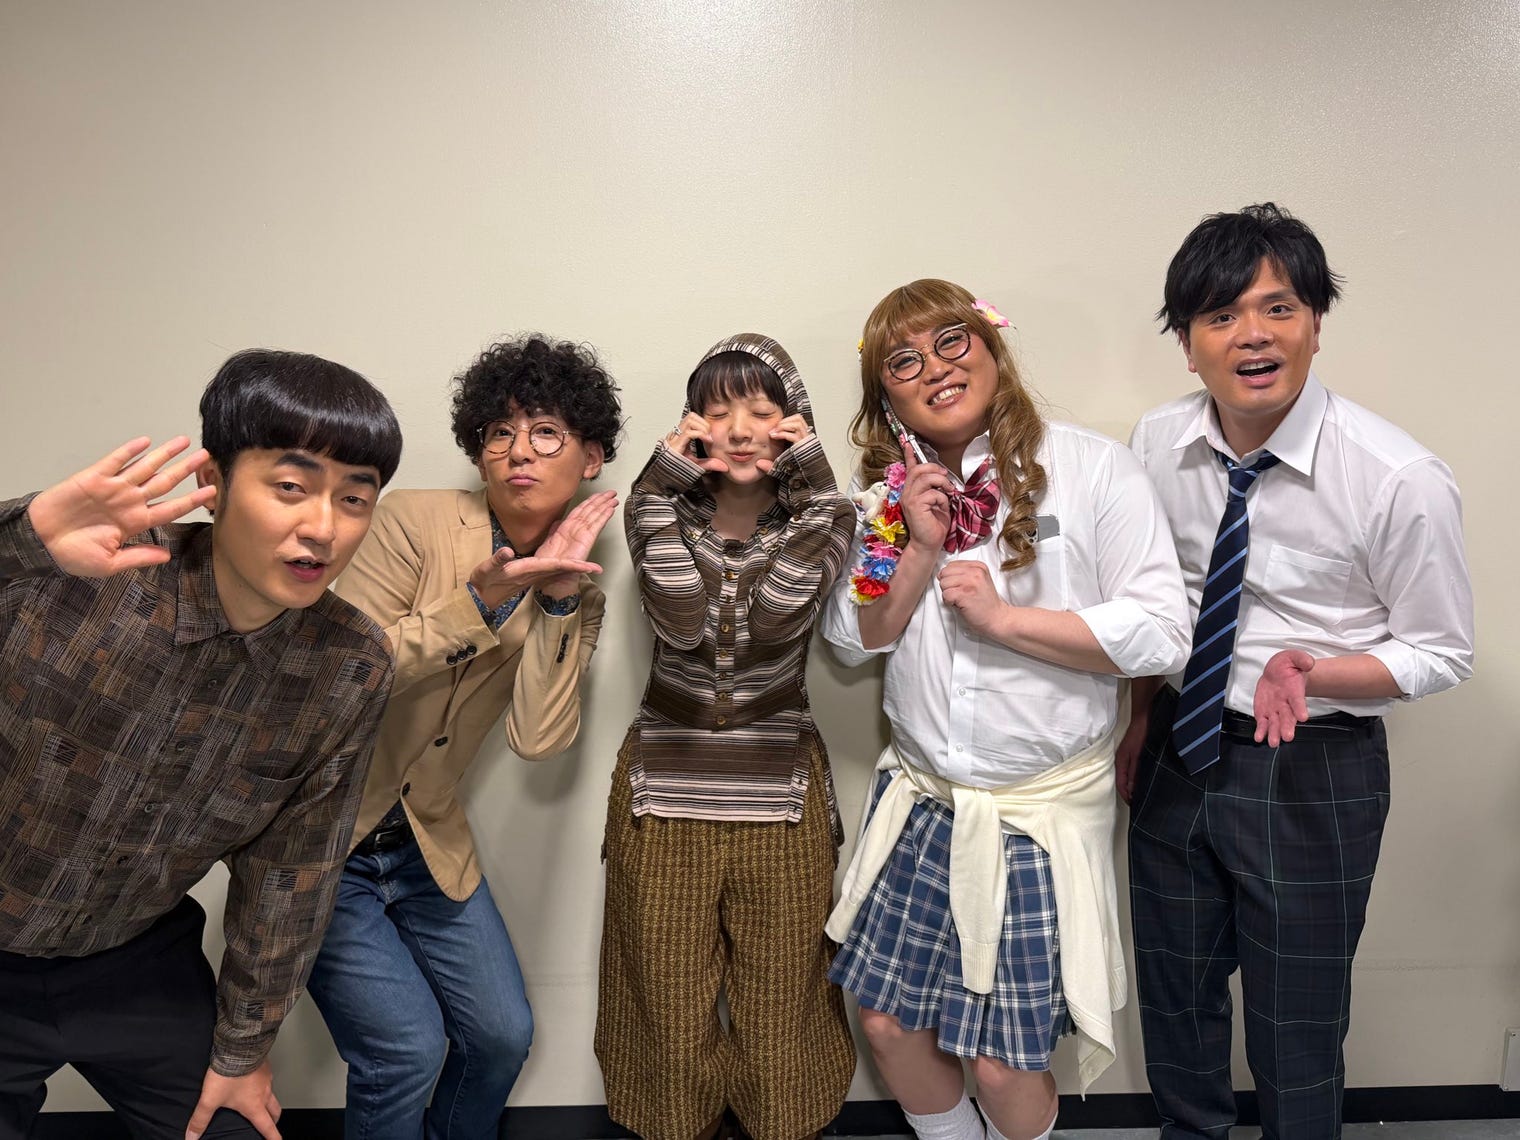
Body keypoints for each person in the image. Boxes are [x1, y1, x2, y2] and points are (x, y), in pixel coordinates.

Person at [1120, 203, 1476, 1140]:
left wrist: (1315, 671)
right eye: (1221, 315)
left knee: (1298, 1025)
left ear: (1316, 323)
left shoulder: (1397, 476)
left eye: (1278, 308)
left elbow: (1441, 650)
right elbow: (1152, 600)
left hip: (1314, 767)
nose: (1253, 335)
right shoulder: (1156, 444)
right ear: (1187, 344)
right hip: (1178, 748)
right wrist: (1138, 721)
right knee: (1176, 1000)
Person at [820, 280, 1191, 1140]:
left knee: (1002, 1061)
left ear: (992, 347)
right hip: (923, 800)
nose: (934, 368)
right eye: (903, 361)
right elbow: (852, 639)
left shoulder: (1093, 469)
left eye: (951, 341)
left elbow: (1163, 634)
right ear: (886, 396)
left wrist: (1002, 621)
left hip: (1038, 813)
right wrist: (917, 549)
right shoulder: (881, 499)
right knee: (886, 1022)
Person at [0, 349, 402, 1140]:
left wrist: (243, 1047)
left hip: (134, 959)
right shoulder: (72, 568)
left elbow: (291, 872)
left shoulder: (349, 665)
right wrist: (24, 537)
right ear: (214, 482)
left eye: (355, 498)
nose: (324, 527)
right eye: (291, 487)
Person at [305, 335, 623, 1139]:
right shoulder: (411, 522)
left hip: (425, 839)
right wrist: (477, 606)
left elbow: (538, 740)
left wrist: (556, 600)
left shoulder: (579, 595)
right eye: (499, 433)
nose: (518, 451)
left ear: (590, 457)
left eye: (546, 432)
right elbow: (345, 674)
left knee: (501, 1037)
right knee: (406, 1051)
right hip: (322, 837)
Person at [596, 333, 857, 1140]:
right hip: (663, 795)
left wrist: (816, 484)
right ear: (690, 426)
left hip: (780, 799)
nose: (740, 429)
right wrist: (658, 482)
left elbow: (776, 621)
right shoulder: (657, 512)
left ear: (796, 423)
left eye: (763, 410)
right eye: (716, 411)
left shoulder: (826, 518)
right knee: (664, 1005)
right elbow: (680, 622)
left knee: (783, 1010)